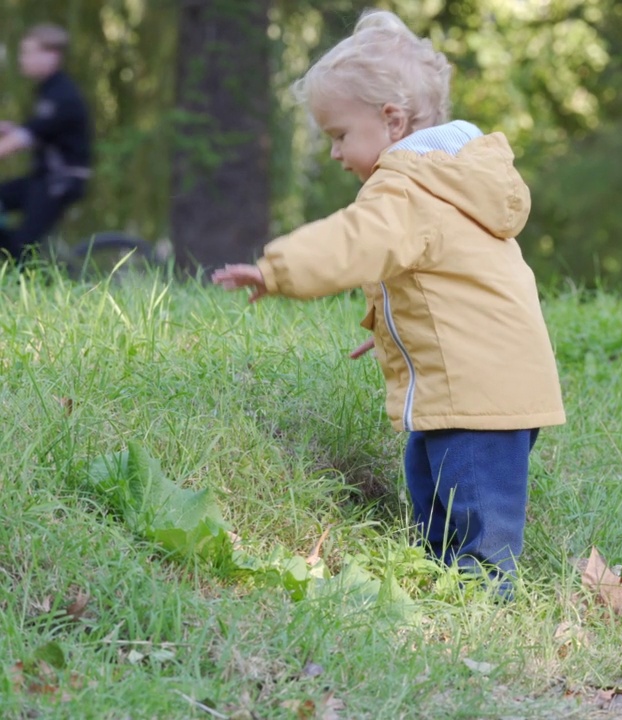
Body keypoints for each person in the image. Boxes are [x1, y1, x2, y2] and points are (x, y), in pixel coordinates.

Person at [212, 10, 565, 598]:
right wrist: (385, 327)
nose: (334, 153)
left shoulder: (405, 185)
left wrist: (279, 269)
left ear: (391, 120)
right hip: (482, 383)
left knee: (476, 519)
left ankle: (483, 604)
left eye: (339, 135)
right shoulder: (454, 180)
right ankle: (439, 586)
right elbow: (452, 284)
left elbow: (356, 241)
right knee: (432, 488)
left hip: (475, 392)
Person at [0, 23, 92, 265]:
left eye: (29, 52)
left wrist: (14, 136)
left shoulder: (62, 95)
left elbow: (20, 141)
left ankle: (32, 281)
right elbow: (39, 131)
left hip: (60, 181)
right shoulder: (47, 91)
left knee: (23, 247)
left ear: (51, 56)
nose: (23, 59)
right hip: (42, 178)